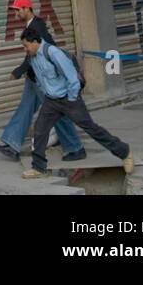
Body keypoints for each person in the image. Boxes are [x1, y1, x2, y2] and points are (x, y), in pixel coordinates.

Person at [19, 30, 135, 179]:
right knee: (40, 130)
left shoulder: (53, 53)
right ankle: (39, 168)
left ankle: (125, 152)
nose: (25, 49)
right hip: (51, 101)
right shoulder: (33, 58)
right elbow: (41, 79)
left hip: (68, 98)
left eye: (26, 46)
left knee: (92, 129)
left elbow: (72, 77)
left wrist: (72, 99)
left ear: (35, 42)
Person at [0, 0, 85, 162]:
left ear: (27, 9)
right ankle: (12, 144)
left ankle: (75, 147)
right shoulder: (31, 26)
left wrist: (19, 71)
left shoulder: (37, 26)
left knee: (56, 112)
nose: (17, 13)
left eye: (18, 10)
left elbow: (45, 49)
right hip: (34, 77)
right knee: (25, 108)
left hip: (43, 79)